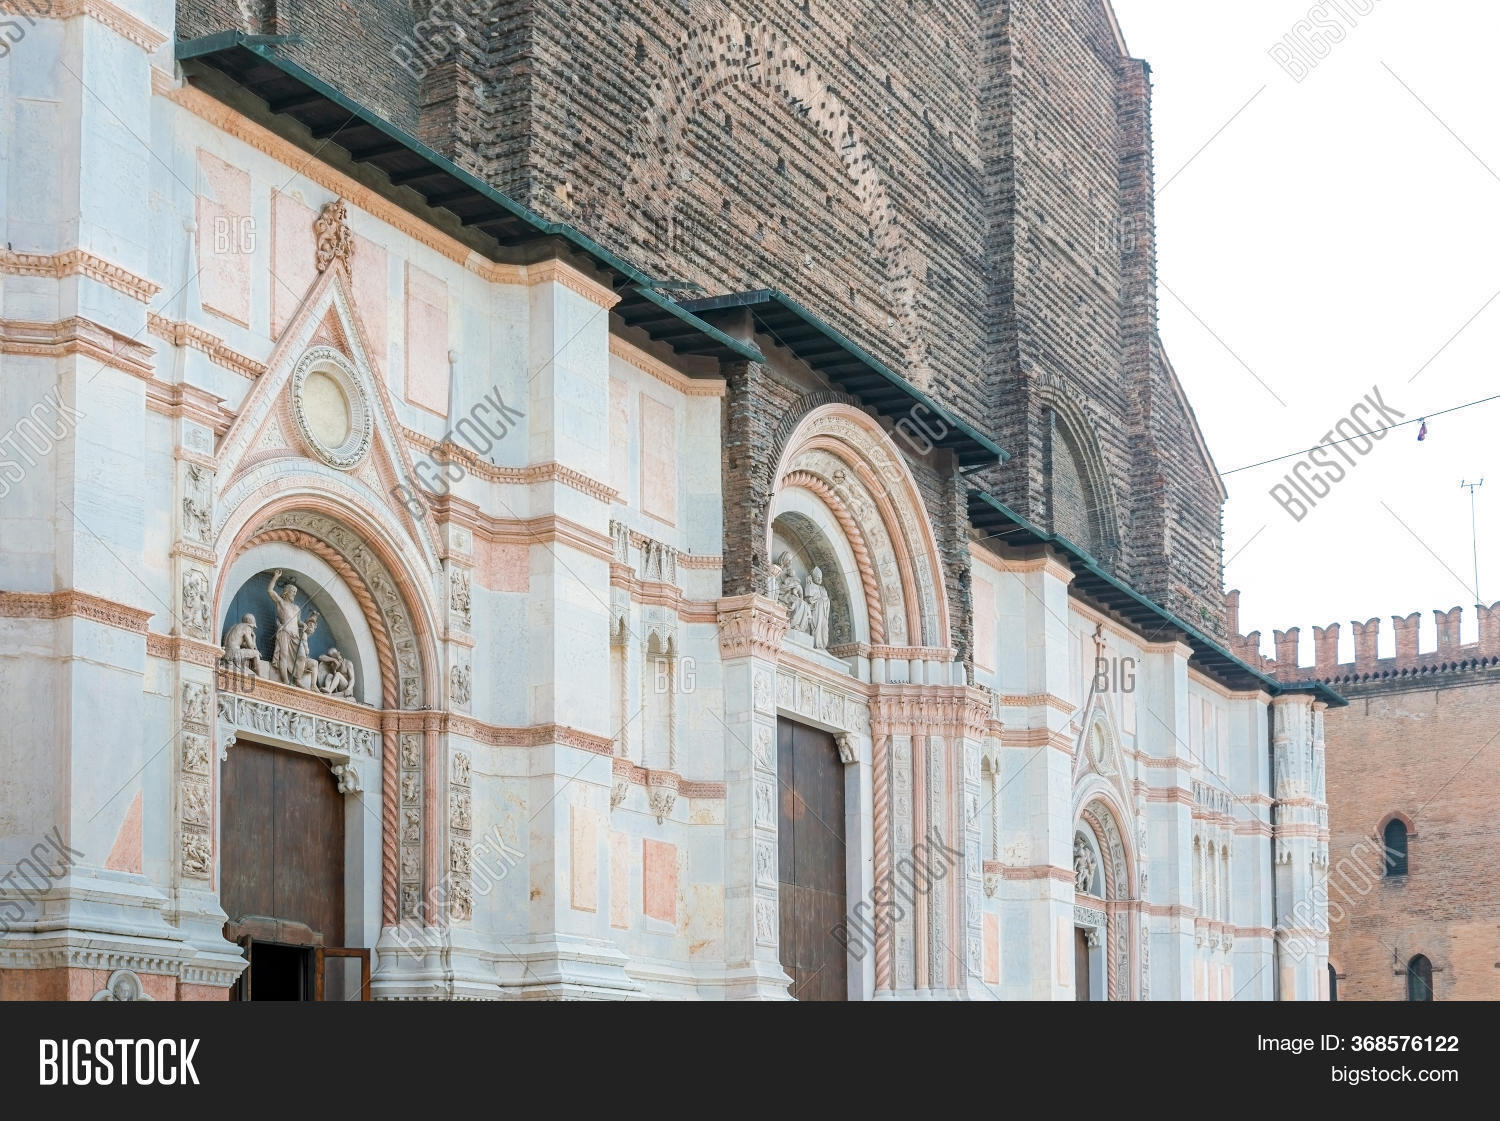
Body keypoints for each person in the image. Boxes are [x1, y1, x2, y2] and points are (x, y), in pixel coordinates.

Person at [267, 570, 305, 685]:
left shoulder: (297, 608)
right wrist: (275, 577)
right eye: (292, 591)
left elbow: (298, 621)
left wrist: (303, 624)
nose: (294, 593)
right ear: (286, 592)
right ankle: (285, 680)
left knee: (302, 656)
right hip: (285, 632)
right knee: (283, 656)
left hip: (295, 636)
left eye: (295, 592)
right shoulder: (281, 602)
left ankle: (297, 678)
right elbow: (270, 591)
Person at [804, 566, 831, 649]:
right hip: (816, 611)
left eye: (821, 578)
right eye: (817, 577)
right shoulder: (810, 585)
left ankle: (822, 644)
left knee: (824, 628)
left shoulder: (823, 589)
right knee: (817, 626)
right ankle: (817, 643)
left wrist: (824, 601)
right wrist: (809, 584)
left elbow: (827, 599)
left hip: (824, 612)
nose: (820, 579)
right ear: (813, 577)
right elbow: (808, 599)